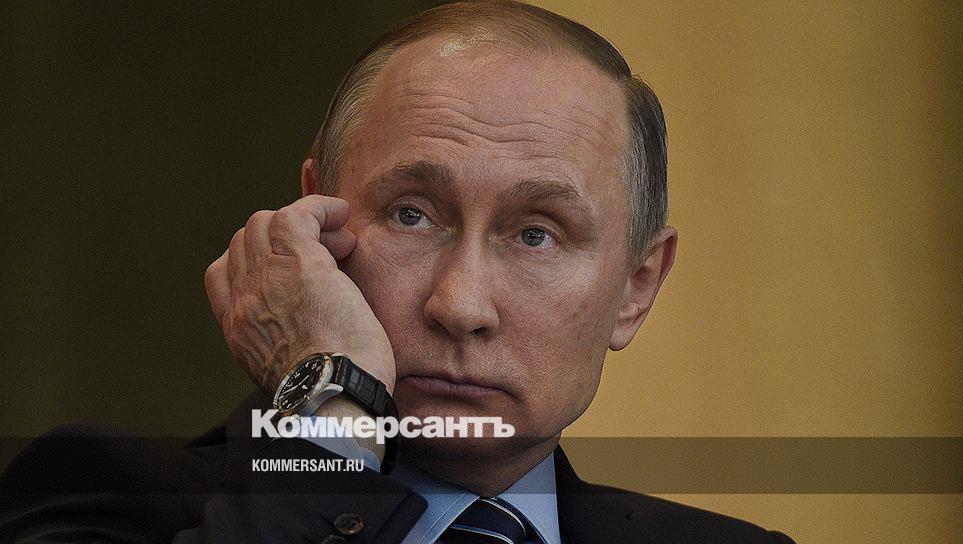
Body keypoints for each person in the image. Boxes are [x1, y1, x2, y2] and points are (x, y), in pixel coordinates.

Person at [0, 1, 794, 542]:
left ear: (637, 287)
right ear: (313, 233)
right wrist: (331, 407)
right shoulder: (104, 497)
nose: (461, 304)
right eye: (412, 215)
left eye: (536, 235)